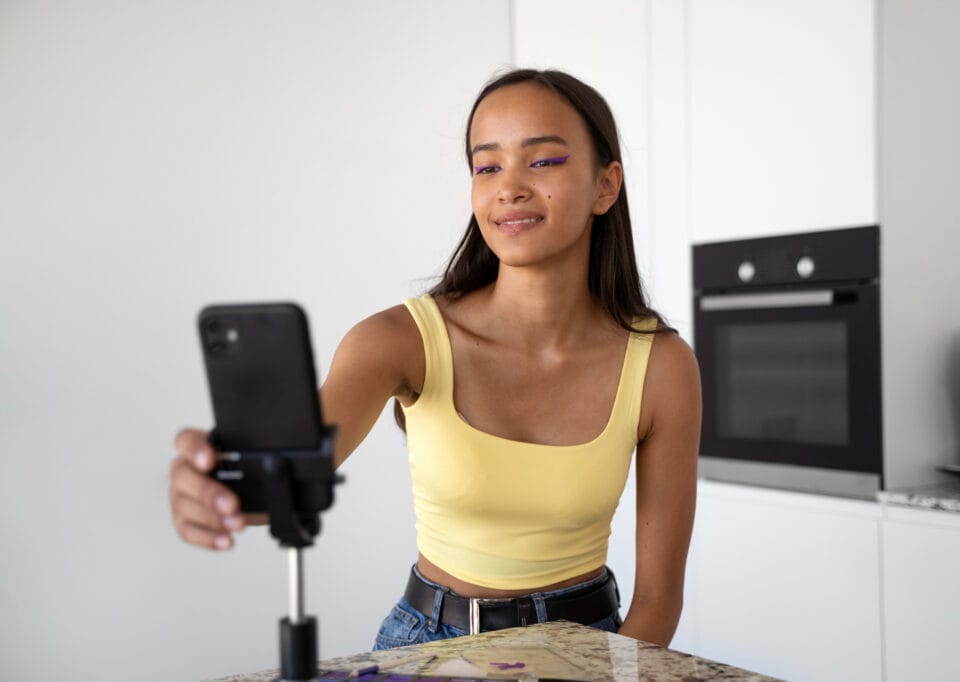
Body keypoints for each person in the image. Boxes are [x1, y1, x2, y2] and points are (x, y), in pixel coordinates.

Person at [170, 68, 701, 649]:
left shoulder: (662, 367)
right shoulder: (400, 340)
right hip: (429, 647)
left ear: (606, 185)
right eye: (487, 167)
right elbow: (288, 475)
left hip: (590, 644)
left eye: (543, 161)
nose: (509, 187)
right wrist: (219, 486)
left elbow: (658, 601)